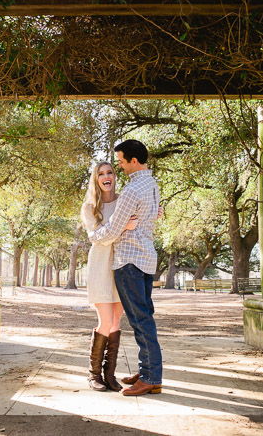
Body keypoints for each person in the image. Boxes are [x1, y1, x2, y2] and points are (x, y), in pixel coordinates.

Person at [87, 139, 163, 396]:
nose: (117, 168)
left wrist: (100, 235)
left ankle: (150, 376)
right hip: (141, 260)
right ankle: (145, 372)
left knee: (140, 320)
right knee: (142, 317)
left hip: (128, 261)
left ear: (133, 160)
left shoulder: (130, 192)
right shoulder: (152, 185)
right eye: (104, 171)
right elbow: (145, 217)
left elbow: (114, 228)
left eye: (119, 162)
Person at [80, 161, 138, 392]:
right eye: (101, 174)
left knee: (116, 321)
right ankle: (93, 374)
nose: (106, 177)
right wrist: (123, 226)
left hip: (122, 265)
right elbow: (96, 237)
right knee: (105, 321)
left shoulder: (124, 200)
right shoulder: (90, 207)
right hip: (100, 265)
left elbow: (139, 220)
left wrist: (155, 212)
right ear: (96, 179)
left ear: (115, 176)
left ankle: (109, 375)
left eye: (110, 173)